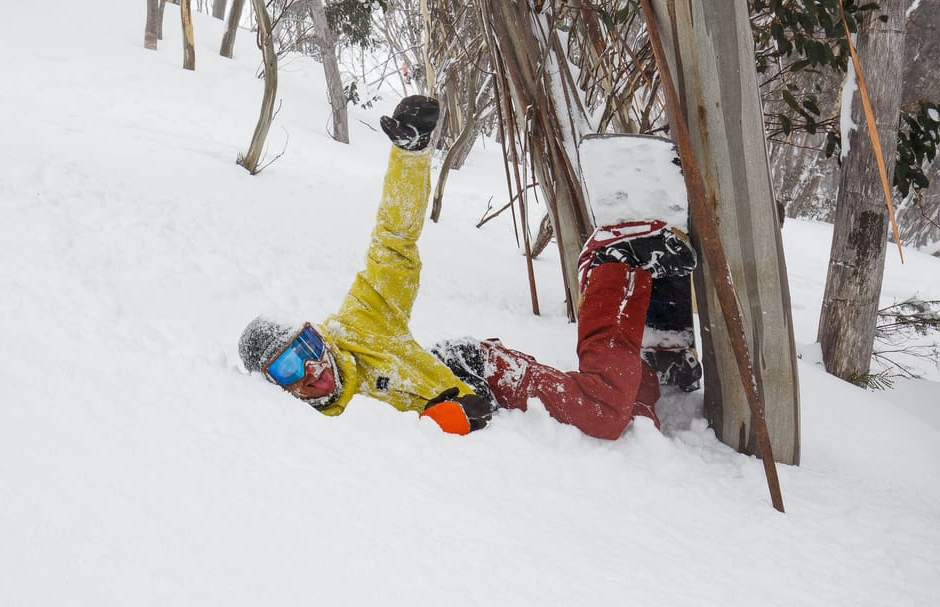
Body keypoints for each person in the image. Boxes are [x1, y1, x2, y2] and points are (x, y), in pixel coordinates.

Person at [238, 96, 698, 438]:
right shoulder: (304, 428)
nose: (313, 369)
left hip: (477, 369)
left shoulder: (360, 327)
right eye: (289, 369)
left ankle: (609, 260)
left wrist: (410, 157)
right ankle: (655, 356)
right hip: (472, 399)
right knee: (639, 415)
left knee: (602, 412)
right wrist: (437, 420)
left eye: (306, 347)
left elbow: (392, 243)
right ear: (272, 387)